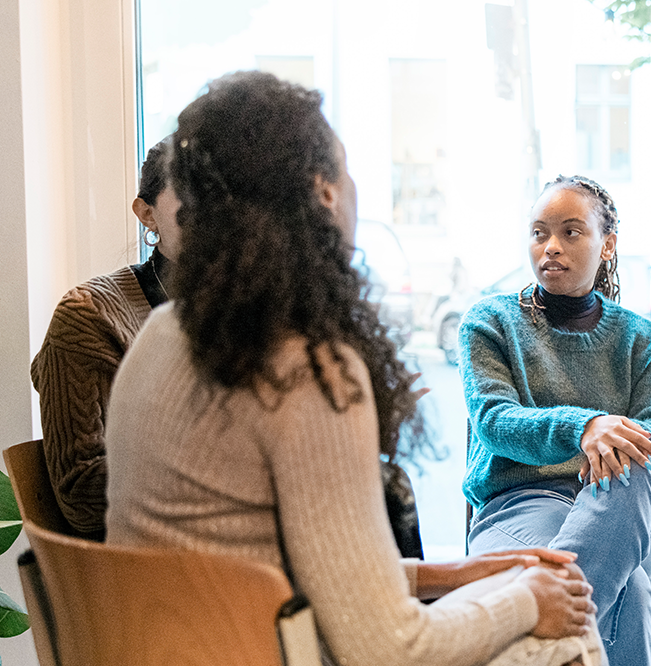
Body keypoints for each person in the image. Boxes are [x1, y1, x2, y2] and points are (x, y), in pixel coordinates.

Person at [105, 71, 601, 666]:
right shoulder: (305, 369)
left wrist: (454, 574)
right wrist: (529, 603)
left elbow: (281, 562)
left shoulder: (161, 333)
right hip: (273, 649)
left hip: (178, 644)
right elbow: (386, 650)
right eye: (346, 168)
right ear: (326, 194)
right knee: (566, 624)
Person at [461, 175, 651, 666]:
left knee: (642, 463)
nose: (550, 247)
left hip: (621, 507)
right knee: (633, 592)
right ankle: (554, 648)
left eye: (571, 232)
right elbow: (495, 421)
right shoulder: (490, 322)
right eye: (539, 233)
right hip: (519, 509)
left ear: (608, 245)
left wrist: (609, 443)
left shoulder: (642, 340)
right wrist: (585, 429)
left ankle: (539, 651)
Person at [30, 137, 178, 539]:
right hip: (151, 580)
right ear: (147, 214)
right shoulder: (90, 317)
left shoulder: (263, 311)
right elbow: (83, 495)